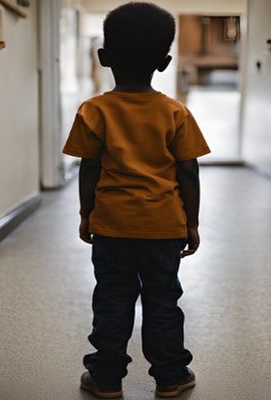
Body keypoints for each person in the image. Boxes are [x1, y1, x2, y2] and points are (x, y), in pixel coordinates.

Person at [62, 2, 211, 398]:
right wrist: (191, 223)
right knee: (163, 300)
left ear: (104, 57)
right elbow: (189, 172)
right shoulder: (175, 113)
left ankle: (106, 379)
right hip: (163, 228)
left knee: (111, 299)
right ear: (164, 62)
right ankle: (171, 377)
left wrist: (85, 214)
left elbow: (89, 169)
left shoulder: (94, 111)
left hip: (112, 226)